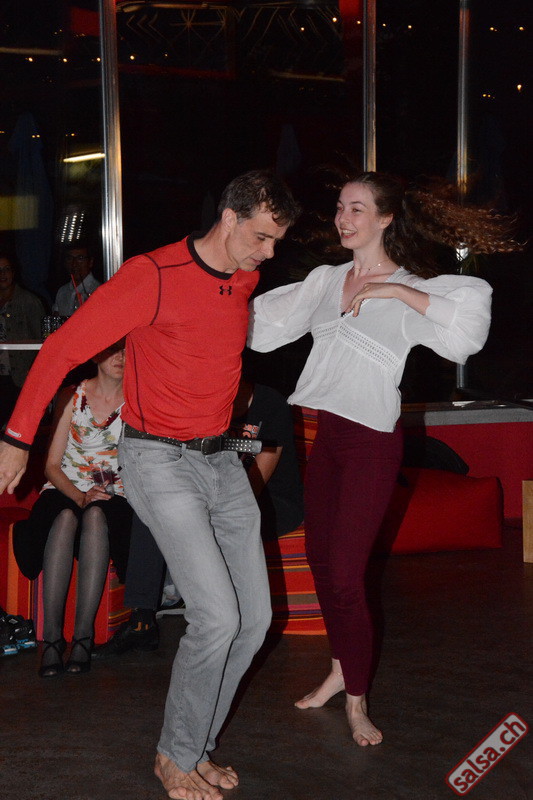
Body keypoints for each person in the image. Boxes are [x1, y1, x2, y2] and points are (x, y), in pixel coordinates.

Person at [0, 169, 300, 800]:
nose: (270, 253)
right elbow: (59, 351)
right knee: (216, 616)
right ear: (229, 217)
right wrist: (17, 437)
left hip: (222, 461)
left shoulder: (245, 276)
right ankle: (175, 756)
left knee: (255, 620)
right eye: (263, 236)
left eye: (277, 241)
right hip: (160, 461)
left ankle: (196, 749)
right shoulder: (152, 276)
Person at [248, 170, 519, 748]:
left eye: (357, 209)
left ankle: (357, 699)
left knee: (347, 575)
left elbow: (468, 332)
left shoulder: (413, 288)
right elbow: (262, 329)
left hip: (371, 442)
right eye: (340, 207)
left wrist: (396, 292)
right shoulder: (326, 281)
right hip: (324, 437)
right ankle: (340, 670)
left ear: (386, 218)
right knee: (322, 562)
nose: (343, 218)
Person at [92, 377, 305, 661]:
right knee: (156, 507)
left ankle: (202, 606)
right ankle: (142, 618)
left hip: (270, 502)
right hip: (218, 493)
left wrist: (205, 508)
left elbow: (255, 482)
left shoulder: (270, 403)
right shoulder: (208, 405)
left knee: (203, 519)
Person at [13, 342, 131, 676]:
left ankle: (83, 638)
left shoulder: (139, 400)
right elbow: (51, 466)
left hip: (115, 492)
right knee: (64, 517)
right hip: (65, 486)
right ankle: (52, 640)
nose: (120, 358)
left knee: (96, 516)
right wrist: (79, 496)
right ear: (95, 353)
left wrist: (103, 494)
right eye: (113, 350)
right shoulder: (71, 395)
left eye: (126, 351)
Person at [0, 252, 45, 427]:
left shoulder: (29, 301)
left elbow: (41, 341)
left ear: (13, 272)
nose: (2, 274)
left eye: (6, 269)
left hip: (19, 377)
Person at [53, 242, 100, 317]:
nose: (74, 264)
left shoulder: (98, 291)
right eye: (70, 258)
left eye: (80, 258)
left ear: (90, 262)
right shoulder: (62, 291)